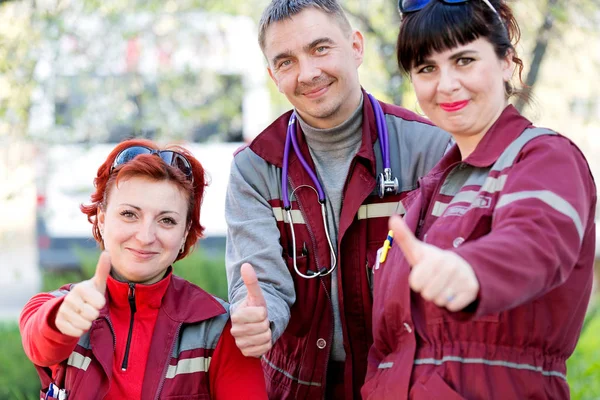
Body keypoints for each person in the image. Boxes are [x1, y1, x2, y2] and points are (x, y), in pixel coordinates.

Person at [363, 0, 597, 399]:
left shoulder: (543, 157)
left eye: (464, 60)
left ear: (507, 62)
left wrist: (469, 271)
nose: (446, 84)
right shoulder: (423, 193)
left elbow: (535, 241)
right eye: (426, 68)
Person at [225, 0, 451, 398]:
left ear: (356, 47)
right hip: (300, 387)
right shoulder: (255, 167)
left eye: (320, 48)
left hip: (407, 383)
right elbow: (261, 286)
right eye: (286, 61)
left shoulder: (430, 148)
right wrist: (257, 317)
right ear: (272, 75)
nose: (308, 73)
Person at [19, 139, 267, 399]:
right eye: (129, 214)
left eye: (167, 220)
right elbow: (41, 344)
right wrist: (63, 319)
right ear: (102, 220)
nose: (146, 236)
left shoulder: (218, 327)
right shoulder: (56, 307)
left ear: (184, 234)